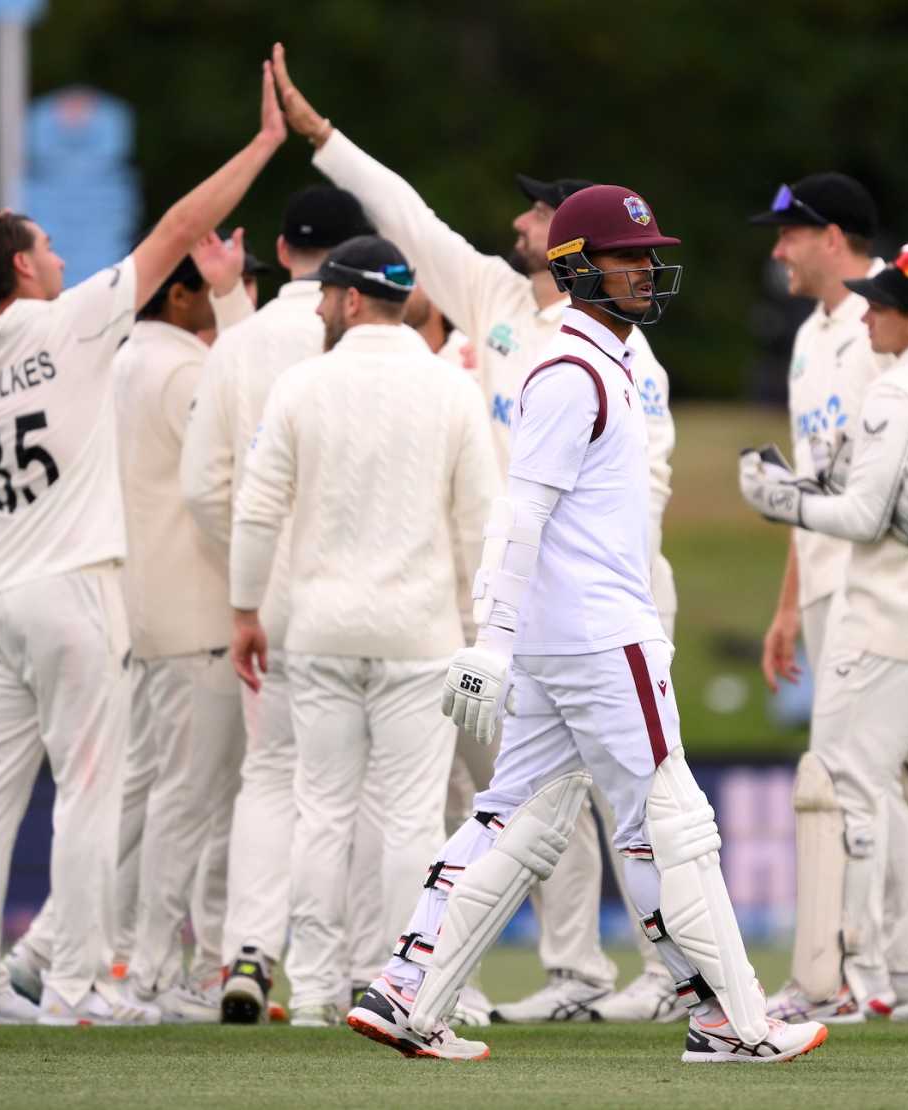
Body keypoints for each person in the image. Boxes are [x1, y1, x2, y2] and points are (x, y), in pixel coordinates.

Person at [345, 185, 828, 1064]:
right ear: (576, 268)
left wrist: (505, 643)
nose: (646, 270)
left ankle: (409, 991)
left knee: (508, 820)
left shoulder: (596, 362)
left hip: (562, 642)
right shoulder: (574, 370)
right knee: (671, 820)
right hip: (601, 642)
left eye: (647, 255)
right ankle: (734, 1019)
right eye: (626, 256)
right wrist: (489, 645)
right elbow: (518, 514)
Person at [273, 43, 681, 1024]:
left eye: (536, 212)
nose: (516, 222)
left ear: (574, 240)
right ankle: (572, 972)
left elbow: (646, 487)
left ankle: (666, 976)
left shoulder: (629, 351)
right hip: (508, 595)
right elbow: (410, 215)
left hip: (604, 590)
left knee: (630, 794)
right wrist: (325, 140)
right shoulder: (498, 302)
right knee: (520, 795)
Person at [0, 50, 287, 1027]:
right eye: (45, 246)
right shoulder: (72, 326)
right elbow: (178, 227)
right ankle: (80, 988)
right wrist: (262, 143)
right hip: (71, 591)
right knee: (90, 796)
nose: (59, 256)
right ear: (22, 268)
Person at [229, 234, 499, 1027]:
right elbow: (483, 524)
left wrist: (247, 610)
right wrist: (483, 628)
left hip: (319, 630)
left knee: (322, 808)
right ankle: (402, 982)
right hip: (419, 632)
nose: (317, 307)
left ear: (350, 299)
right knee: (414, 818)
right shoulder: (451, 389)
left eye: (324, 295)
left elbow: (256, 507)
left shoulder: (303, 385)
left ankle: (314, 988)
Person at [738, 245, 908, 1022]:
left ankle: (841, 980)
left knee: (843, 792)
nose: (867, 314)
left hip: (893, 623)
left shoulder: (894, 393)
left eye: (883, 306)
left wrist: (780, 498)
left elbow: (859, 516)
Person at [3, 233, 255, 1019]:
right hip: (196, 616)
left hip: (130, 611)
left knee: (138, 802)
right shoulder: (186, 370)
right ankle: (142, 973)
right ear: (181, 296)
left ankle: (47, 947)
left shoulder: (111, 363)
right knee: (184, 806)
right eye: (208, 291)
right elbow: (232, 478)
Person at [180, 184, 375, 1024]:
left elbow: (202, 487)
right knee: (360, 785)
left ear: (284, 250)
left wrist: (246, 582)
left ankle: (251, 952)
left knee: (271, 777)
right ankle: (361, 970)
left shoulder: (240, 342)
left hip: (274, 599)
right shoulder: (374, 336)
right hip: (360, 589)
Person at [748, 174, 908, 1020]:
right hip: (824, 586)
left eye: (790, 234)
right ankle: (891, 971)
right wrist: (788, 605)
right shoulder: (811, 336)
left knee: (859, 776)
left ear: (832, 238)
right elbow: (804, 481)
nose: (777, 250)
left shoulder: (888, 321)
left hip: (879, 586)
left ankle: (865, 971)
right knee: (865, 777)